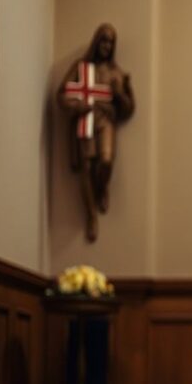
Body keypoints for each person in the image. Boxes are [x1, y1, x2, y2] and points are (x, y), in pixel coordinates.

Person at [58, 23, 135, 242]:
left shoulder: (116, 73)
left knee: (106, 161)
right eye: (103, 40)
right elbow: (61, 95)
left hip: (106, 121)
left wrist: (119, 95)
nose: (106, 45)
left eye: (110, 42)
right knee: (86, 166)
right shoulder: (81, 67)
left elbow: (129, 109)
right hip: (86, 119)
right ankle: (91, 216)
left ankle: (102, 187)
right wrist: (76, 106)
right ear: (96, 41)